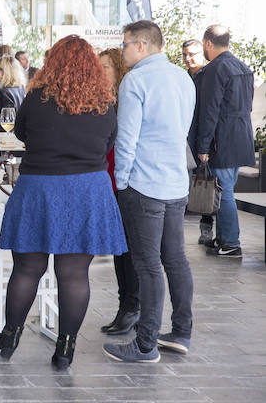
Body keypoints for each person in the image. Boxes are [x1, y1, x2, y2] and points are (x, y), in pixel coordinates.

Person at [0, 35, 126, 369]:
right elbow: (110, 140)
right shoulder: (105, 101)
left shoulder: (36, 98)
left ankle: (11, 333)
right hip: (88, 190)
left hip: (39, 187)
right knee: (74, 274)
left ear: (52, 62)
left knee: (27, 268)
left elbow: (21, 134)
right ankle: (66, 347)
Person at [105, 20, 195, 363]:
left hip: (143, 185)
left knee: (147, 266)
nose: (123, 49)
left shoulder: (136, 81)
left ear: (141, 45)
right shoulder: (182, 77)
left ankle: (145, 344)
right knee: (175, 260)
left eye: (126, 44)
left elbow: (127, 139)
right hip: (175, 182)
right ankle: (182, 332)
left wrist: (122, 182)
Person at [193, 25, 256, 259]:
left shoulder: (215, 70)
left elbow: (209, 110)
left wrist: (202, 146)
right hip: (241, 137)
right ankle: (223, 238)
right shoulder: (243, 67)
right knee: (224, 187)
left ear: (208, 43)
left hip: (222, 139)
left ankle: (231, 242)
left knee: (225, 190)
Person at [98, 48, 139, 335]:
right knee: (119, 248)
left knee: (130, 250)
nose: (101, 72)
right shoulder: (106, 99)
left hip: (125, 181)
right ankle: (125, 306)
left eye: (106, 68)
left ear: (119, 70)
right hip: (108, 180)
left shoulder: (126, 98)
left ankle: (133, 307)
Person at [181, 39, 212, 244]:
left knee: (204, 184)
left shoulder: (208, 76)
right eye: (185, 54)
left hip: (202, 138)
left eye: (192, 53)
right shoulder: (182, 77)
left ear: (202, 52)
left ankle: (206, 227)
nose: (188, 58)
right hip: (184, 137)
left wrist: (204, 145)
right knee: (185, 182)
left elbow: (208, 113)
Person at [0, 54, 26, 131]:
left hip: (6, 137)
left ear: (3, 72)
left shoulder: (5, 92)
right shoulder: (20, 88)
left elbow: (7, 120)